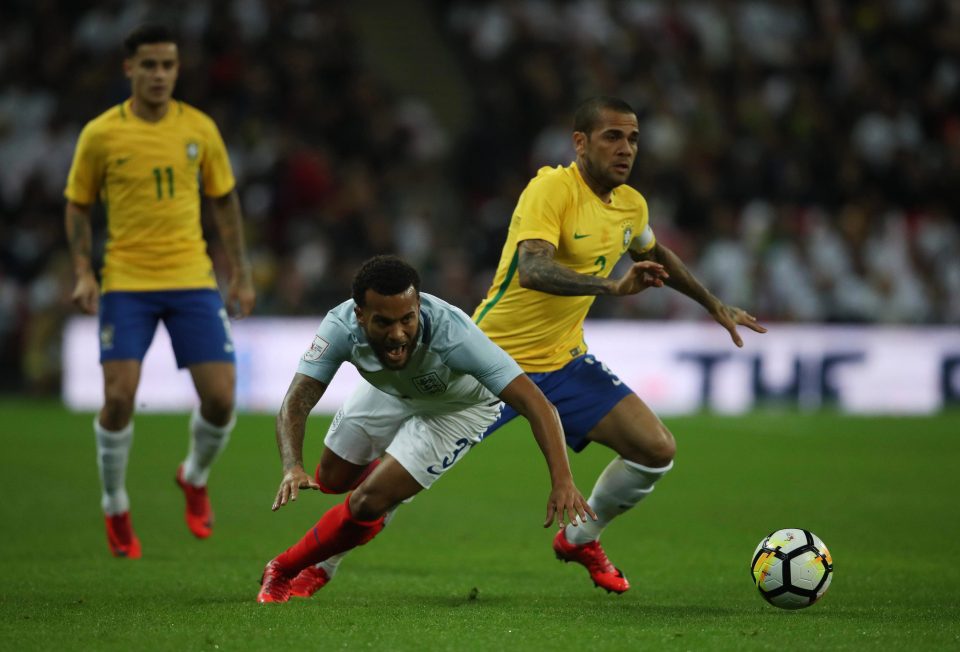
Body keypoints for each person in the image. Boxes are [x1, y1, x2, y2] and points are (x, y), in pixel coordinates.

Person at [471, 96, 767, 593]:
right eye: (613, 136)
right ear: (580, 143)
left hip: (564, 363)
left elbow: (655, 252)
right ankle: (320, 562)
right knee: (402, 477)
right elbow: (533, 268)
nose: (626, 148)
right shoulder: (551, 189)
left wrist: (712, 302)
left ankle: (581, 536)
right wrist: (611, 287)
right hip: (491, 361)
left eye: (632, 138)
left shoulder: (631, 204)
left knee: (655, 449)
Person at [256, 255, 598, 603]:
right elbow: (296, 400)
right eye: (384, 323)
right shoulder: (339, 328)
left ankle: (283, 570)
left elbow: (537, 404)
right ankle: (389, 481)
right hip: (388, 390)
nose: (398, 334)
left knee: (367, 504)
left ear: (418, 304)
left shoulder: (455, 334)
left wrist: (563, 480)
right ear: (359, 314)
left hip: (457, 410)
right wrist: (291, 466)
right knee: (331, 480)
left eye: (407, 319)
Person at [63, 24, 256, 559]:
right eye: (148, 65)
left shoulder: (199, 128)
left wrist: (239, 271)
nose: (158, 75)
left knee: (220, 400)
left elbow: (224, 200)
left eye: (167, 65)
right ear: (129, 69)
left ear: (177, 69)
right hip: (127, 282)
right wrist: (83, 270)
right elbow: (78, 203)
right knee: (119, 398)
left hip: (192, 278)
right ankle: (114, 504)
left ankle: (193, 476)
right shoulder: (102, 134)